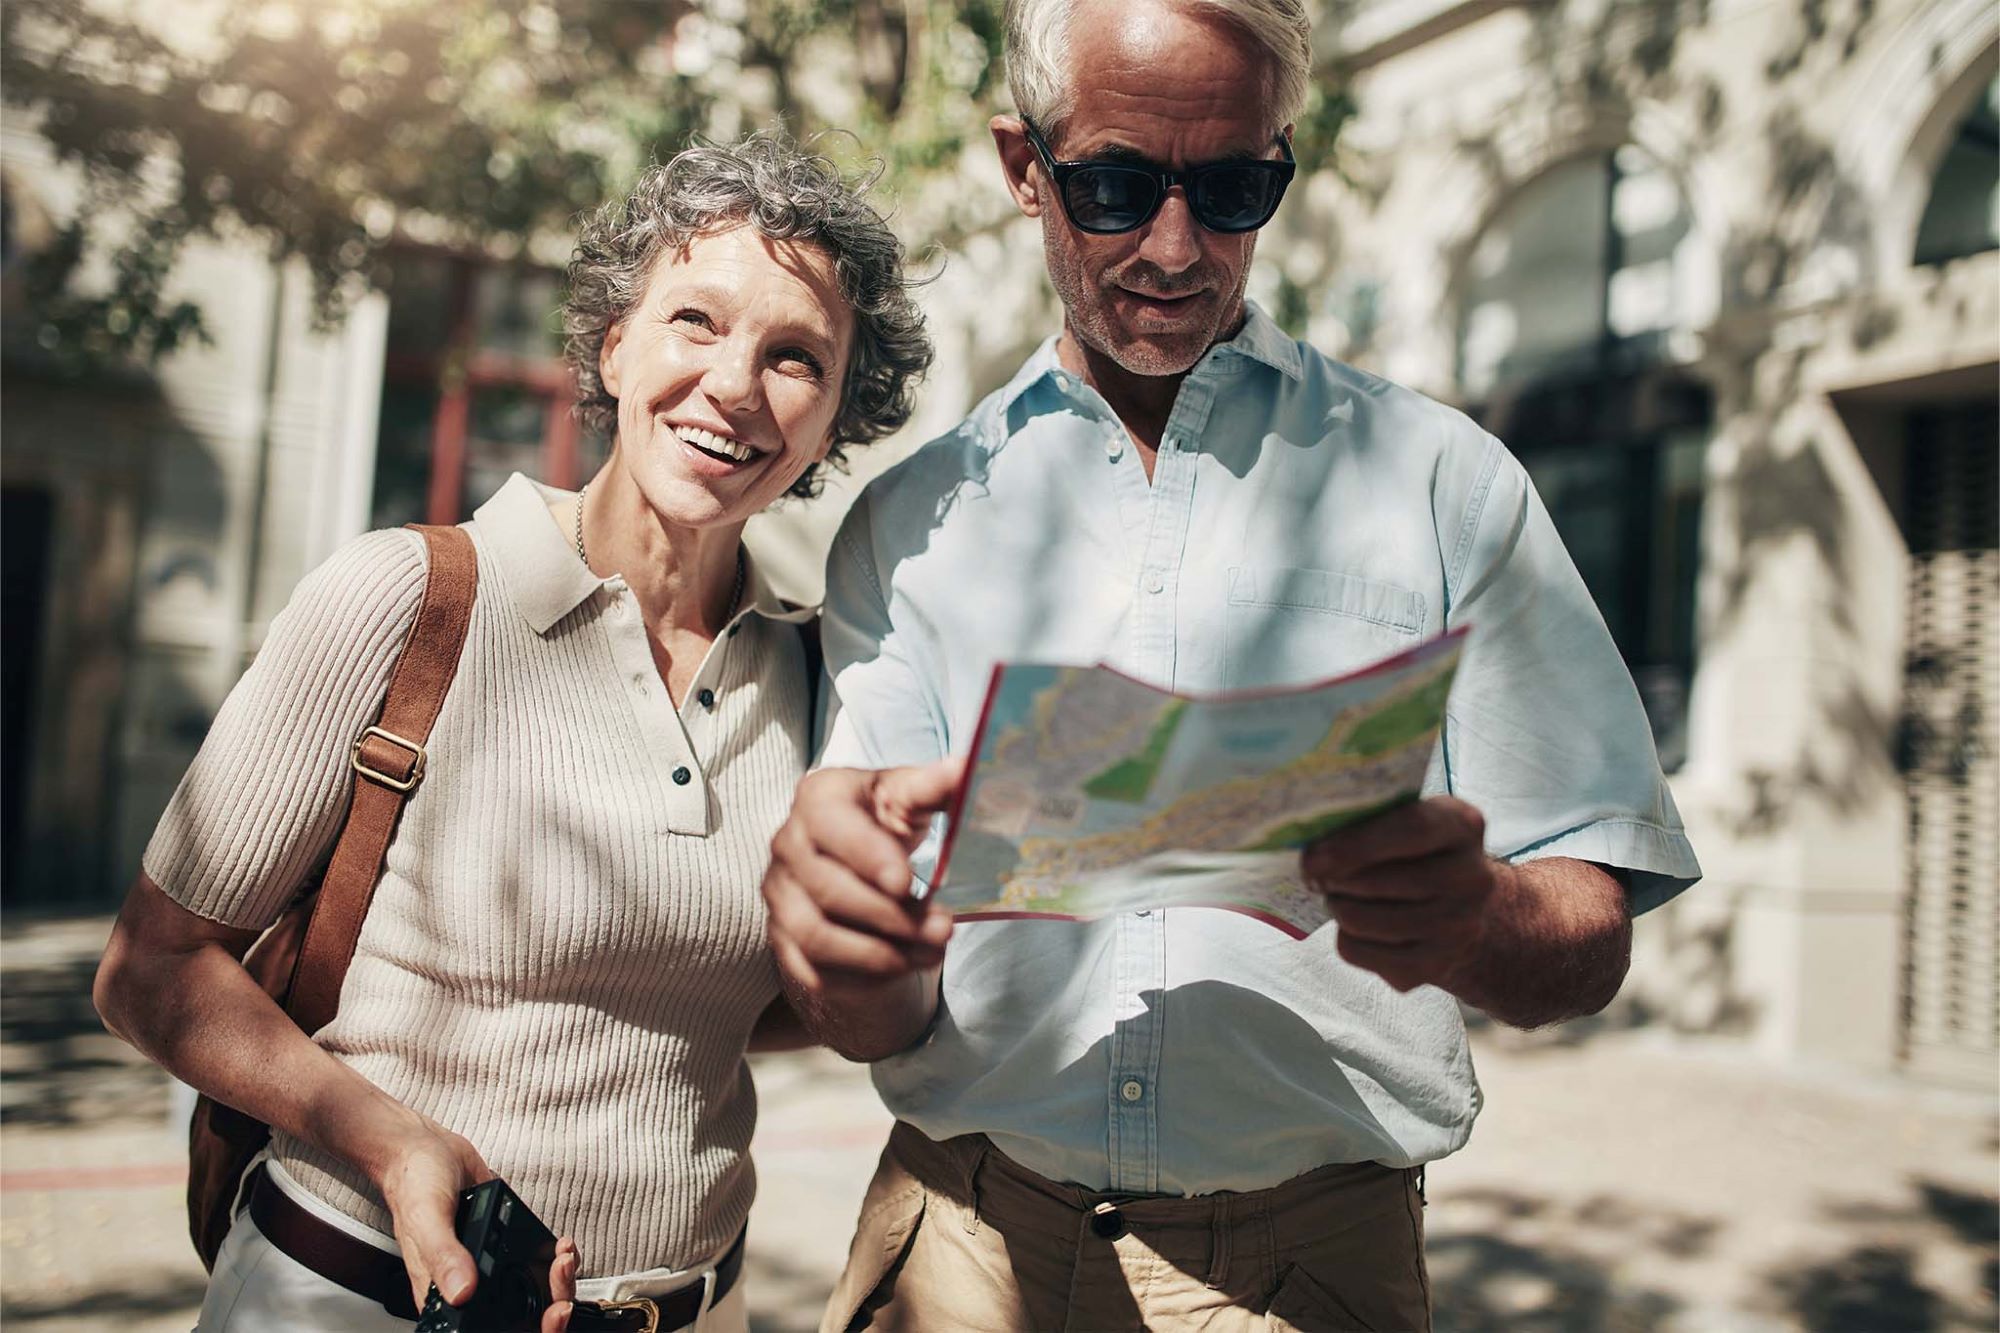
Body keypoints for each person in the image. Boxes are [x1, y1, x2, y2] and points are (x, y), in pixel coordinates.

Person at [758, 1, 1703, 1328]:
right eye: (1114, 186)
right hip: (960, 1243)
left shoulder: (1443, 484)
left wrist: (1478, 916)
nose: (1174, 246)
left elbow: (1586, 935)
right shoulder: (911, 527)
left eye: (1234, 188)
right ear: (1023, 166)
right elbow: (877, 1014)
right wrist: (844, 949)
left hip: (1310, 1266)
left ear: (1283, 159)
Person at [93, 132, 931, 1332]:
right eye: (694, 321)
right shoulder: (410, 599)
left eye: (794, 357)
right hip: (359, 1292)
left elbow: (735, 989)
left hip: (694, 1309)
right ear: (612, 342)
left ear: (835, 415)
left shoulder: (813, 668)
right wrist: (385, 1139)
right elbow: (148, 971)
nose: (737, 388)